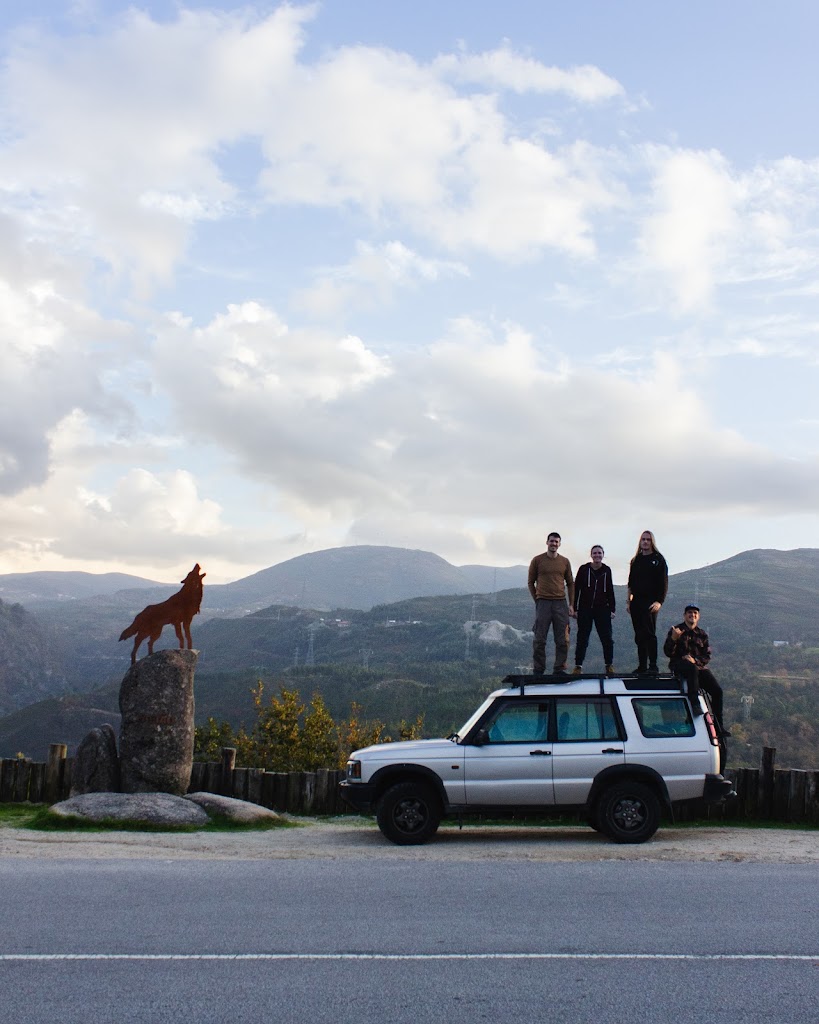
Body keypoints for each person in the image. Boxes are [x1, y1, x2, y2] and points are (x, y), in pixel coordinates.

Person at [663, 604, 730, 737]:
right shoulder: (676, 630)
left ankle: (718, 726)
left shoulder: (702, 634)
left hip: (698, 667)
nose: (692, 615)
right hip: (679, 666)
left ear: (698, 617)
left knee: (717, 691)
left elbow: (707, 655)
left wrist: (695, 661)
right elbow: (667, 652)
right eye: (689, 612)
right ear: (684, 615)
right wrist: (673, 639)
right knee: (691, 668)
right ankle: (694, 703)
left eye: (695, 613)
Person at [528, 532, 575, 675]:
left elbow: (571, 583)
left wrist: (571, 604)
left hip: (560, 602)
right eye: (551, 541)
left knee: (563, 639)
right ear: (547, 542)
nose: (554, 544)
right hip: (543, 602)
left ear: (559, 544)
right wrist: (537, 600)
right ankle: (539, 669)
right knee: (539, 638)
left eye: (556, 542)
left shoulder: (565, 562)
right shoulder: (537, 560)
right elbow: (531, 582)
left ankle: (559, 668)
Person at [626, 529, 668, 674]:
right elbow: (630, 583)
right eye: (643, 539)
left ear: (652, 542)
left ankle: (653, 665)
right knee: (639, 635)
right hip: (636, 601)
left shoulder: (658, 559)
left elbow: (664, 583)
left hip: (650, 601)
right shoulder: (635, 560)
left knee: (650, 634)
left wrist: (659, 602)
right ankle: (642, 666)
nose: (645, 542)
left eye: (648, 539)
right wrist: (628, 602)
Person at [572, 544, 616, 675]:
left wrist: (612, 609)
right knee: (582, 638)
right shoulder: (584, 569)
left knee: (607, 638)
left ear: (603, 555)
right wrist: (574, 608)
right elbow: (577, 589)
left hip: (603, 609)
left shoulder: (607, 570)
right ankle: (578, 666)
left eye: (599, 553)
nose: (597, 555)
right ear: (591, 555)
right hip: (585, 608)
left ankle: (609, 665)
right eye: (595, 553)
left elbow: (610, 590)